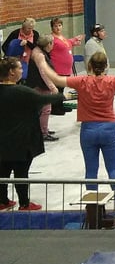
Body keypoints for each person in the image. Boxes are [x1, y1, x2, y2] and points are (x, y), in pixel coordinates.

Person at [43, 51, 115, 210]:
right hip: (109, 128)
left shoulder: (81, 81)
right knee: (113, 167)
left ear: (89, 65)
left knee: (91, 169)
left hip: (88, 129)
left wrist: (40, 61)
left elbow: (56, 79)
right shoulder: (112, 81)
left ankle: (92, 204)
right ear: (106, 66)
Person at [0, 57, 65, 211]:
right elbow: (44, 99)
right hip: (21, 140)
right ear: (11, 72)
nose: (22, 70)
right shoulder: (22, 91)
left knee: (2, 172)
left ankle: (2, 201)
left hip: (2, 141)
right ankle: (24, 203)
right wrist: (64, 96)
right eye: (19, 68)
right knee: (21, 173)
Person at [25, 35, 59, 142]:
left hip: (36, 84)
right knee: (46, 109)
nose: (53, 45)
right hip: (40, 85)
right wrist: (53, 87)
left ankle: (43, 129)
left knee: (41, 109)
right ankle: (43, 133)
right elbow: (44, 73)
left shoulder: (37, 50)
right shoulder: (39, 55)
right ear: (48, 44)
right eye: (52, 43)